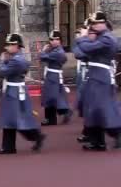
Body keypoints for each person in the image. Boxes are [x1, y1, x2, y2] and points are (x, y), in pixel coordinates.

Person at [75, 11, 121, 151]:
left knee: (102, 108)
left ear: (103, 23)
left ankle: (116, 133)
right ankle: (97, 141)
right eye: (92, 24)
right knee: (92, 109)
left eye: (95, 23)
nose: (93, 26)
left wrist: (83, 38)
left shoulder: (107, 38)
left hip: (101, 76)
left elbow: (88, 48)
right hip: (94, 75)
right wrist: (86, 40)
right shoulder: (99, 37)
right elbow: (81, 53)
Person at [0, 33, 46, 154]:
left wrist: (2, 62)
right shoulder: (15, 59)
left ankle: (36, 136)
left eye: (10, 45)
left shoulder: (17, 60)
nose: (7, 48)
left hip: (15, 92)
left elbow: (3, 72)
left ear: (17, 46)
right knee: (10, 118)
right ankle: (8, 146)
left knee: (17, 119)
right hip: (13, 90)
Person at [40, 30, 71, 126]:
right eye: (52, 40)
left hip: (54, 75)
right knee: (52, 96)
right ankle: (54, 116)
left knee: (51, 97)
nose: (54, 41)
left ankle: (54, 116)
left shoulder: (58, 52)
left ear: (60, 40)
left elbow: (43, 57)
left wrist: (43, 51)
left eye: (56, 39)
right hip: (51, 74)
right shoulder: (54, 50)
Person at [73, 26, 90, 143]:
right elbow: (77, 53)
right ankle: (87, 132)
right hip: (86, 74)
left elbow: (80, 53)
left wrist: (82, 38)